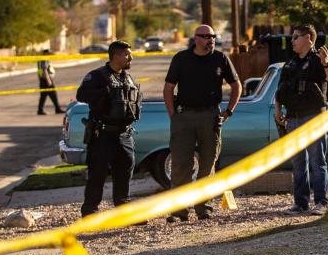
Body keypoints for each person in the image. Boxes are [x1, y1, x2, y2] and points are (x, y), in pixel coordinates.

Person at [162, 24, 242, 222]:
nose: (211, 40)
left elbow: (236, 85)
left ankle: (203, 208)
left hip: (210, 117)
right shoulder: (181, 59)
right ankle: (179, 211)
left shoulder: (220, 58)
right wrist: (174, 115)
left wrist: (229, 111)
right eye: (206, 36)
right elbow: (168, 88)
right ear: (195, 38)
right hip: (184, 117)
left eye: (213, 36)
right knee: (181, 164)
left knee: (208, 162)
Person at [274, 25, 328, 215]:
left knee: (317, 162)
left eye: (296, 37)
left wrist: (326, 63)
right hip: (292, 118)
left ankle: (321, 202)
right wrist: (278, 112)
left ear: (308, 38)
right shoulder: (290, 63)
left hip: (314, 118)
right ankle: (300, 203)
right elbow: (280, 90)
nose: (292, 40)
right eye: (292, 37)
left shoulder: (318, 60)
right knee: (298, 164)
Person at [76, 40, 143, 217]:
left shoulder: (127, 77)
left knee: (125, 172)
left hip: (124, 134)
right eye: (127, 54)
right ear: (116, 56)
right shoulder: (97, 76)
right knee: (97, 174)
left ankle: (124, 212)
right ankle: (90, 212)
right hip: (103, 134)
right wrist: (104, 93)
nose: (131, 57)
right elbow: (81, 95)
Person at [36, 49, 62, 115]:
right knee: (53, 94)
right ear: (45, 54)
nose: (50, 55)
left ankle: (41, 110)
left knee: (44, 96)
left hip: (43, 80)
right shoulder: (44, 59)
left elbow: (39, 72)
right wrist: (49, 81)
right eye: (49, 53)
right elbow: (44, 70)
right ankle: (57, 109)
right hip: (46, 80)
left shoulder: (40, 60)